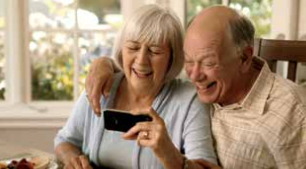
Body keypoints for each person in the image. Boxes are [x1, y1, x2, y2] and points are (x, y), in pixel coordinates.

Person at [85, 5, 306, 169]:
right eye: (189, 61)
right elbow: (145, 67)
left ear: (244, 59)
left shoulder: (291, 112)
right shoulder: (198, 87)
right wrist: (105, 64)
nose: (195, 75)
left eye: (209, 63)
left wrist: (173, 158)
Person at [54, 4, 219, 169]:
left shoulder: (189, 100)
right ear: (122, 49)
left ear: (172, 58)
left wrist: (170, 154)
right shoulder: (101, 85)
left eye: (154, 51)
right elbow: (65, 141)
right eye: (133, 47)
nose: (141, 61)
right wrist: (73, 160)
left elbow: (206, 166)